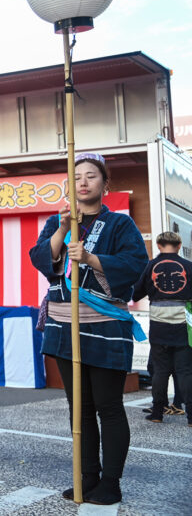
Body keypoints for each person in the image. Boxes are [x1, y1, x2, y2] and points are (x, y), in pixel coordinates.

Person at [29, 153, 148, 505]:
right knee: (77, 407)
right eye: (76, 177)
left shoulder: (120, 225)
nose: (83, 182)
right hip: (65, 325)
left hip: (105, 325)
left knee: (108, 405)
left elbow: (136, 266)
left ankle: (111, 483)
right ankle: (87, 477)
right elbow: (40, 259)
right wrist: (64, 230)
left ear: (104, 184)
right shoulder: (58, 222)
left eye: (91, 176)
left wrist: (92, 258)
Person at [132, 231, 192, 427]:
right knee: (185, 371)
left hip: (158, 325)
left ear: (158, 245)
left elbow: (136, 293)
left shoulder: (150, 266)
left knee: (160, 371)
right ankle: (191, 416)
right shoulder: (189, 266)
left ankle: (157, 412)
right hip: (183, 325)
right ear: (179, 245)